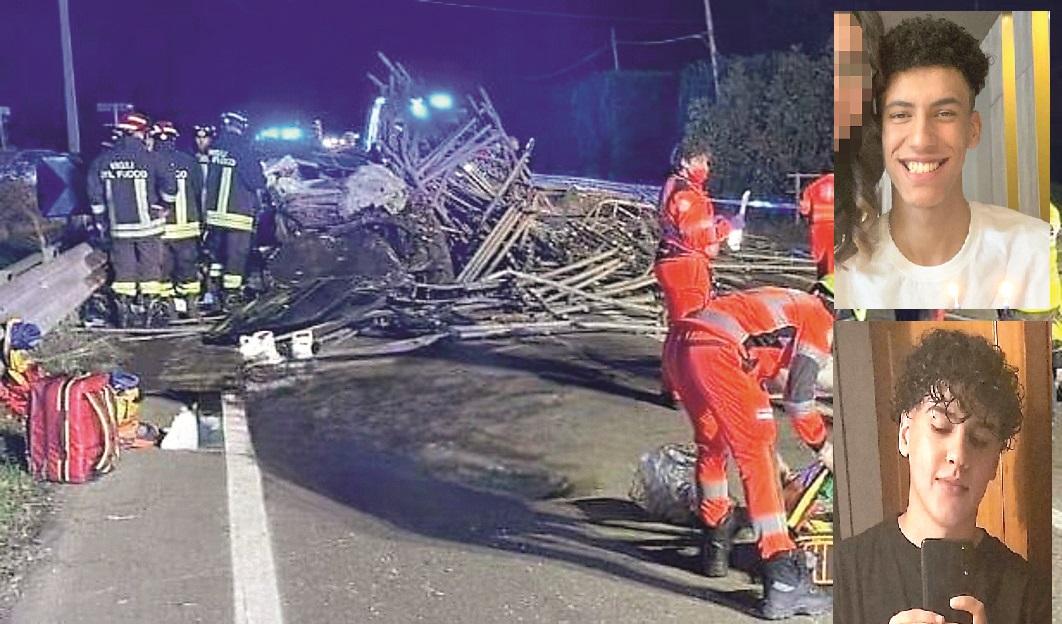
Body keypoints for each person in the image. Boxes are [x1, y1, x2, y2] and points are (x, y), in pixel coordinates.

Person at [833, 329, 1050, 624]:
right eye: (940, 427)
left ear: (995, 463)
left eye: (979, 439)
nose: (958, 455)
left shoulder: (1028, 595)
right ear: (905, 435)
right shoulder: (845, 574)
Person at [835, 15, 1049, 309]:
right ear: (880, 131)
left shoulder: (1035, 252)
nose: (921, 139)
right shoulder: (846, 271)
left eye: (944, 114)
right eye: (901, 115)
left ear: (972, 130)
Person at [664, 285, 834, 619]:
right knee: (756, 457)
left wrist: (776, 457)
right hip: (716, 351)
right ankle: (782, 574)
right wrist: (822, 447)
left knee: (713, 444)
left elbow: (750, 390)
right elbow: (799, 400)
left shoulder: (779, 314)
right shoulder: (818, 319)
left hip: (681, 345)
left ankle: (716, 537)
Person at [654, 143, 731, 406]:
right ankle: (683, 388)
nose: (706, 168)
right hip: (685, 265)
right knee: (690, 328)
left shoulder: (676, 187)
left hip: (675, 261)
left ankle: (672, 386)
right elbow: (698, 236)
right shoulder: (686, 194)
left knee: (679, 328)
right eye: (702, 162)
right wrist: (727, 227)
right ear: (686, 162)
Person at [87, 111, 177, 327]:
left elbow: (94, 194)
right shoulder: (151, 158)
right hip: (149, 227)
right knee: (151, 266)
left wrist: (101, 220)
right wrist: (165, 206)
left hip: (119, 228)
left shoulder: (102, 160)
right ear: (140, 133)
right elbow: (170, 186)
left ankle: (124, 315)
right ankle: (150, 314)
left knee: (123, 269)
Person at [203, 111, 267, 310]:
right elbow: (256, 180)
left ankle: (213, 292)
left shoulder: (215, 148)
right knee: (236, 255)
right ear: (242, 127)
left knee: (217, 255)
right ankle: (231, 295)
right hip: (237, 213)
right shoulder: (244, 148)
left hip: (214, 214)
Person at [151, 121, 204, 319]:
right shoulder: (189, 161)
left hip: (161, 229)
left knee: (163, 271)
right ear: (174, 139)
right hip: (188, 227)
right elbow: (198, 189)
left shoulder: (149, 161)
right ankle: (192, 308)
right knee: (188, 268)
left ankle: (170, 310)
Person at [799, 173, 834, 278]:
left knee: (821, 260)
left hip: (819, 228)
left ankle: (823, 282)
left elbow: (805, 210)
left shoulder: (813, 187)